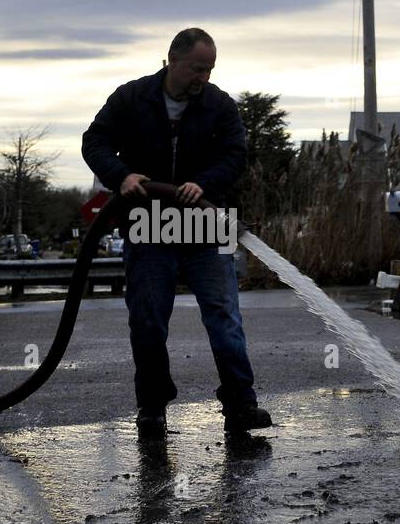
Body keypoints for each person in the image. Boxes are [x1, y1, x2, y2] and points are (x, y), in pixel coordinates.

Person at [81, 28, 273, 441]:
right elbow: (94, 141)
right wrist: (121, 175)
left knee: (224, 316)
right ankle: (152, 408)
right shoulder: (131, 98)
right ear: (172, 59)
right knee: (148, 319)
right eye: (195, 69)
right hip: (147, 223)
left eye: (209, 70)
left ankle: (241, 404)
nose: (202, 77)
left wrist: (204, 182)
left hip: (206, 220)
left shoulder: (219, 105)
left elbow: (235, 154)